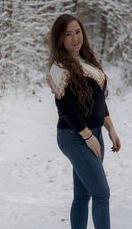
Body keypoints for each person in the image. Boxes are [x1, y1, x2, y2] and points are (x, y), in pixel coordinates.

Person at [46, 13, 121, 229]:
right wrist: (87, 135)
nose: (74, 38)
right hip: (75, 135)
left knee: (83, 195)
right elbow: (66, 108)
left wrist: (110, 129)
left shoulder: (88, 62)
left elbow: (99, 101)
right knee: (101, 193)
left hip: (95, 133)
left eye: (77, 32)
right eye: (68, 34)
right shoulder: (59, 67)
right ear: (60, 39)